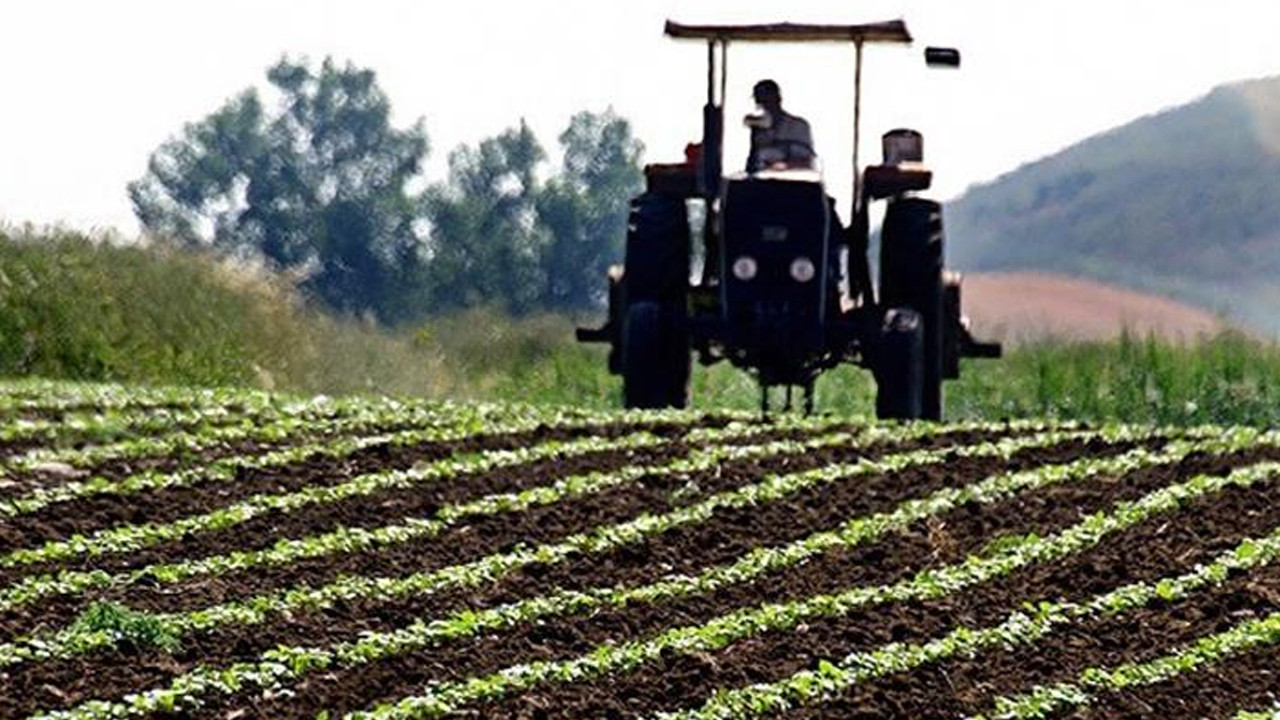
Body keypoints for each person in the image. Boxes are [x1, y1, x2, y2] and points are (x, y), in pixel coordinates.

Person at [745, 79, 815, 172]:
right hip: (764, 181)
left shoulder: (798, 126)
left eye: (767, 99)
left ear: (778, 98)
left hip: (794, 180)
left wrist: (783, 165)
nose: (764, 105)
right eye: (760, 101)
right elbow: (753, 163)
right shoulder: (758, 127)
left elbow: (807, 160)